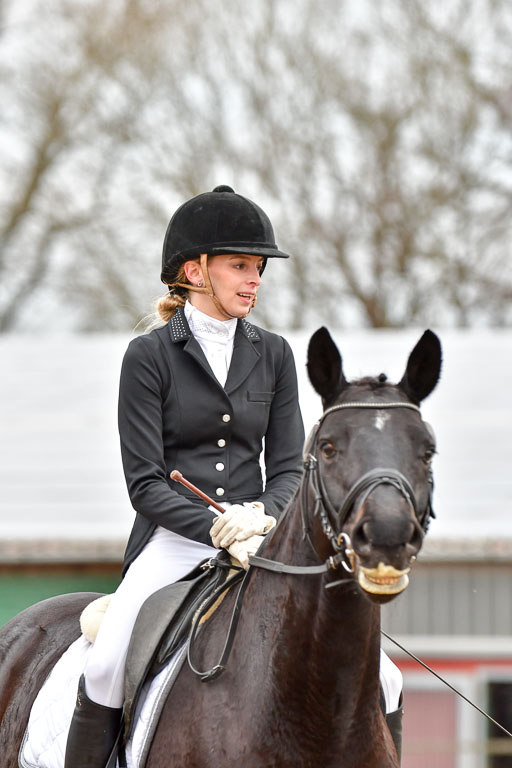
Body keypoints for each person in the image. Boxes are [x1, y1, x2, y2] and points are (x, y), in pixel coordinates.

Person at [64, 185, 306, 768]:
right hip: (174, 541)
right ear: (195, 272)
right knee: (104, 660)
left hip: (263, 539)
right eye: (240, 266)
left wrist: (262, 519)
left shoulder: (274, 353)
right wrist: (214, 528)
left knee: (385, 675)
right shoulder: (148, 357)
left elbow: (290, 465)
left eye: (259, 268)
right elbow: (145, 483)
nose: (255, 280)